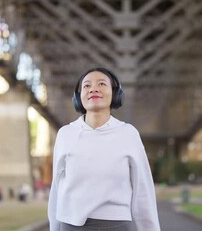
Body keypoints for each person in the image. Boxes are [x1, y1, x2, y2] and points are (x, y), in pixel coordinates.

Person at [48, 68, 160, 231]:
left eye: (101, 84)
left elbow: (143, 191)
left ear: (115, 94)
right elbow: (56, 190)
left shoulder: (128, 134)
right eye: (86, 86)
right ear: (78, 98)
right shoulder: (65, 134)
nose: (93, 88)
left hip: (117, 227)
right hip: (71, 226)